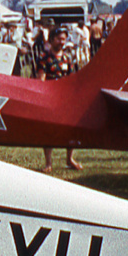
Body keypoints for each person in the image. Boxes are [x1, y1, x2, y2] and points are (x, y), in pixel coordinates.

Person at [37, 26, 81, 173]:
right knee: (49, 130)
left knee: (70, 130)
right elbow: (41, 79)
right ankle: (48, 163)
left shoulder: (67, 58)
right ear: (51, 40)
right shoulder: (44, 58)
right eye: (59, 39)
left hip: (66, 99)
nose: (62, 42)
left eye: (64, 39)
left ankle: (70, 159)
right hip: (50, 98)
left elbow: (71, 77)